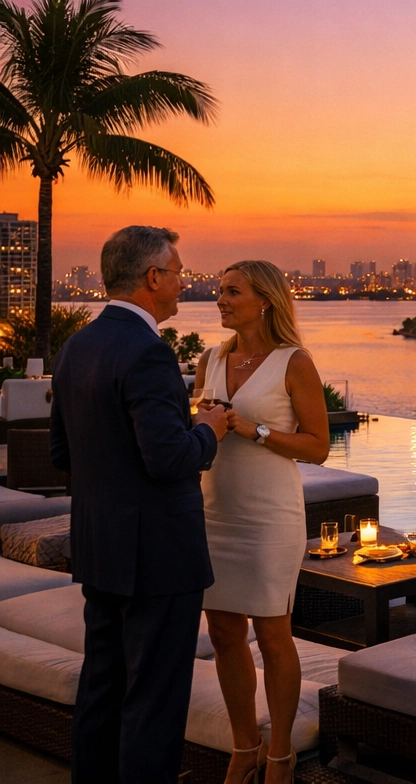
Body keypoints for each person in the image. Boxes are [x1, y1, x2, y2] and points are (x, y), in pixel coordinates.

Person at [49, 226, 230, 782]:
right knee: (154, 698)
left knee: (102, 688)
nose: (183, 284)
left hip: (100, 547)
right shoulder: (148, 354)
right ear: (153, 278)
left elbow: (62, 452)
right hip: (158, 556)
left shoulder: (78, 345)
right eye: (178, 273)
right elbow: (169, 458)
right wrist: (209, 429)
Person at [194, 260, 331, 784]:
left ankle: (280, 754)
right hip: (215, 510)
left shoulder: (294, 362)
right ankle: (242, 746)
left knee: (274, 634)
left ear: (265, 300)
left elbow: (318, 447)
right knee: (224, 630)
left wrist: (255, 432)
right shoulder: (212, 357)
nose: (221, 299)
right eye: (219, 289)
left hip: (268, 516)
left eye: (232, 291)